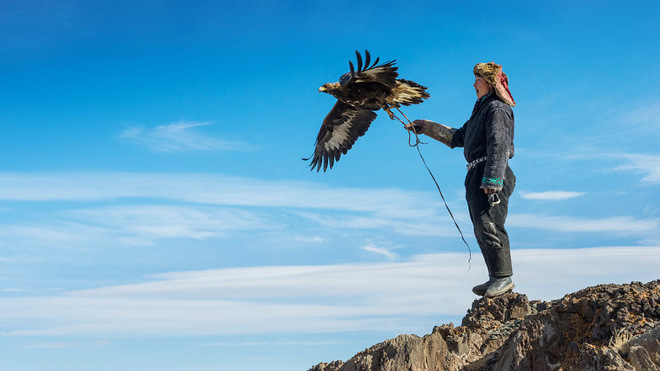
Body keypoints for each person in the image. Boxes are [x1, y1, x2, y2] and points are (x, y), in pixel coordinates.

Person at [406, 62, 516, 298]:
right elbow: (456, 137)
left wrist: (493, 180)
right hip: (477, 174)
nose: (473, 84)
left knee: (489, 224)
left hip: (491, 173)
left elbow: (500, 144)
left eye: (477, 79)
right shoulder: (481, 112)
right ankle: (495, 277)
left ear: (489, 82)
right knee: (480, 227)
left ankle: (503, 277)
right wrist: (425, 127)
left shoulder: (497, 109)